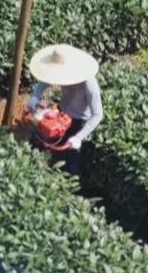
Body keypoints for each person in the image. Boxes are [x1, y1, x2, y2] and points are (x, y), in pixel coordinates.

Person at [25, 44, 103, 175]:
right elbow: (44, 82)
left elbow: (98, 115)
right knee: (38, 141)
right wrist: (34, 98)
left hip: (79, 121)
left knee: (71, 163)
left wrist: (79, 137)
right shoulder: (60, 74)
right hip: (61, 113)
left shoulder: (89, 85)